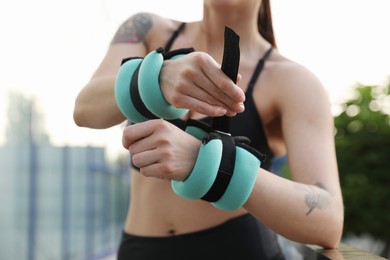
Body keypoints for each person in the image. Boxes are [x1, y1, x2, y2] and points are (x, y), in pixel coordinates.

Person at [73, 0, 344, 259]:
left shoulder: (292, 80)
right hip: (139, 249)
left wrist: (205, 162)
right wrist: (158, 76)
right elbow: (85, 110)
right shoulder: (145, 29)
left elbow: (328, 221)